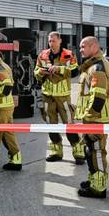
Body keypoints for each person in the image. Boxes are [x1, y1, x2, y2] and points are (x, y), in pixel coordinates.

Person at [34, 31, 85, 164]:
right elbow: (36, 71)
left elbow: (75, 71)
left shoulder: (68, 54)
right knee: (50, 124)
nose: (51, 43)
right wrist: (40, 72)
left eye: (54, 41)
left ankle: (78, 152)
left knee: (69, 123)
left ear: (60, 41)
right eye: (50, 41)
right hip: (47, 95)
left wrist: (59, 69)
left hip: (63, 96)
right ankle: (56, 152)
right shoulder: (42, 54)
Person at [75, 37, 109, 199]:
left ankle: (98, 188)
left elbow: (98, 98)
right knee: (90, 151)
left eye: (83, 46)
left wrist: (88, 118)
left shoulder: (98, 67)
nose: (80, 50)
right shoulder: (92, 66)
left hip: (96, 119)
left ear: (94, 46)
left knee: (96, 152)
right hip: (93, 119)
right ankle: (94, 180)